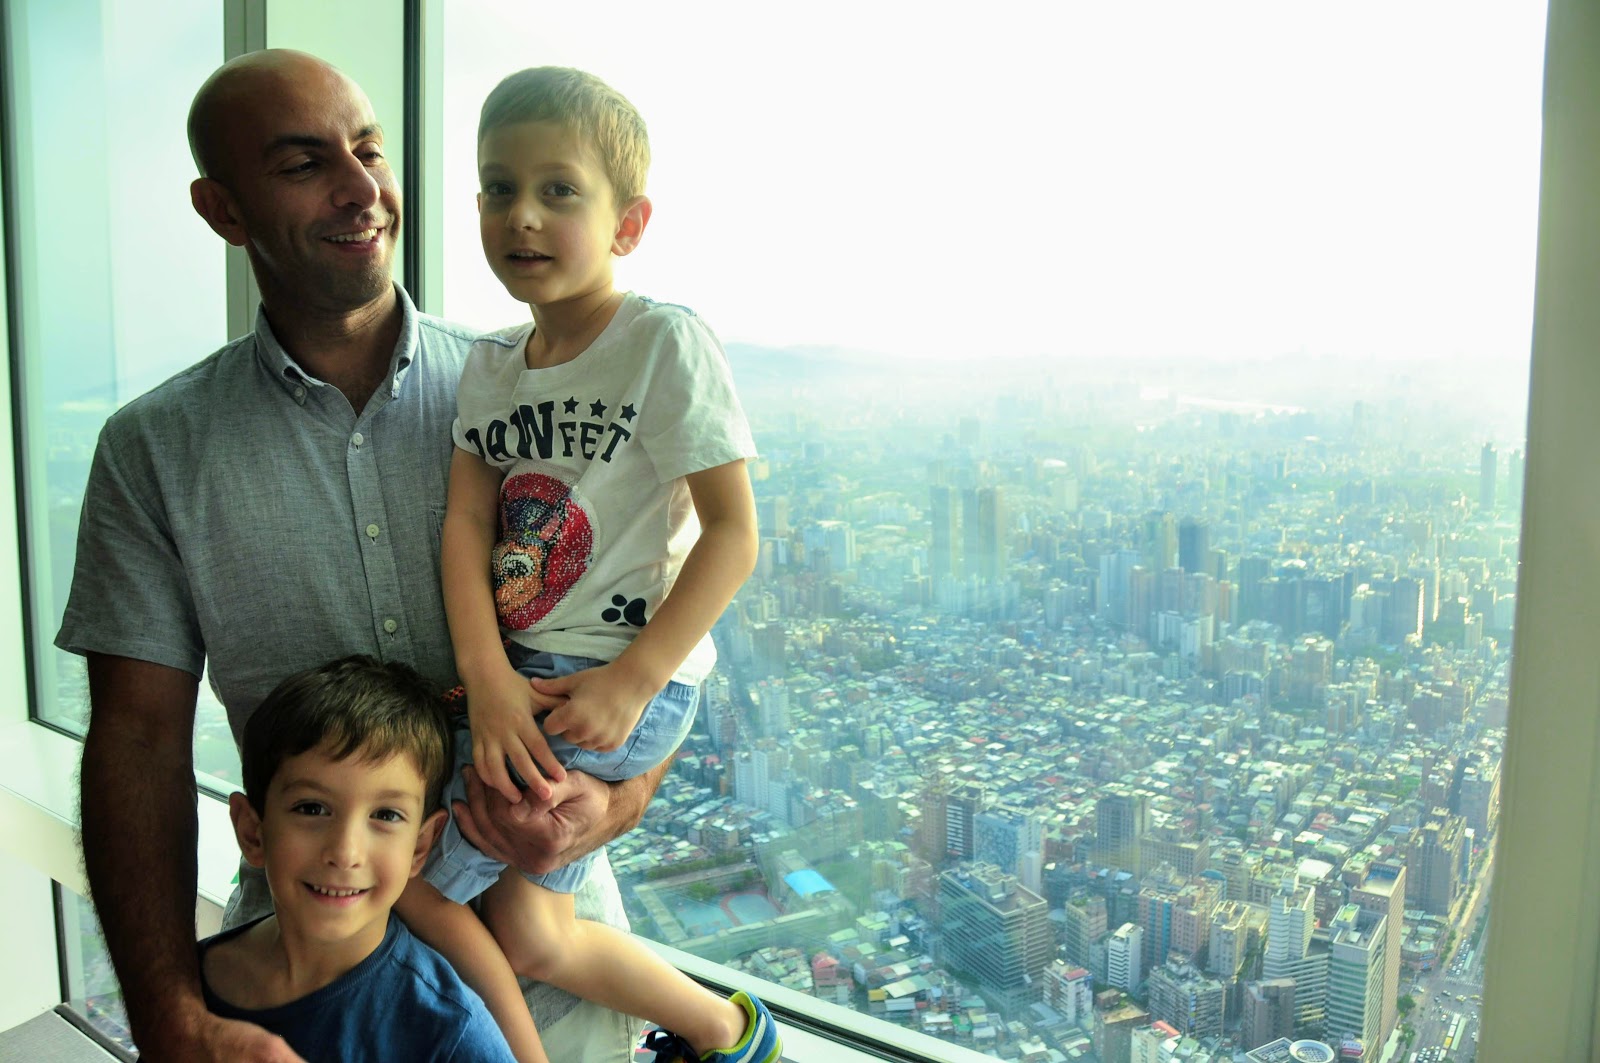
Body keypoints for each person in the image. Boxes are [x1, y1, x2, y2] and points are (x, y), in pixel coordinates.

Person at [56, 50, 657, 1062]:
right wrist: (169, 1018)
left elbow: (647, 632)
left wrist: (620, 799)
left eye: (369, 150)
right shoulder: (154, 450)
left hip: (553, 952)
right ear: (223, 210)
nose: (360, 188)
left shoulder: (530, 397)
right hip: (306, 993)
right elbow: (138, 745)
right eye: (304, 164)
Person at [388, 67, 778, 1063]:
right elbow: (465, 524)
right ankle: (728, 1034)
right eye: (498, 188)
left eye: (558, 189)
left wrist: (632, 682)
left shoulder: (660, 343)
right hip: (523, 681)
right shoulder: (491, 367)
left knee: (410, 884)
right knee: (530, 930)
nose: (522, 214)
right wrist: (486, 676)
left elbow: (734, 533)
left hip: (610, 684)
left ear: (628, 224)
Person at [200, 657, 516, 1062]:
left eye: (386, 815)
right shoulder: (188, 995)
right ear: (252, 832)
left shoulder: (450, 1035)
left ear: (420, 847)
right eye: (312, 808)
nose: (345, 853)